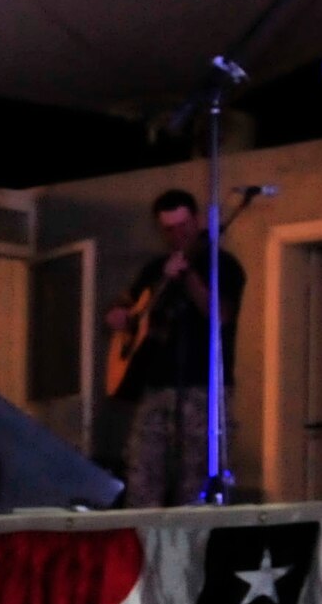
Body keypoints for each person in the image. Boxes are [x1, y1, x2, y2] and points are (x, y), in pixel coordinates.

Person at [105, 189, 245, 507]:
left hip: (202, 388)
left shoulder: (223, 265)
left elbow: (220, 315)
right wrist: (119, 314)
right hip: (154, 387)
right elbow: (128, 303)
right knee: (142, 476)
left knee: (195, 481)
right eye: (169, 229)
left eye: (183, 226)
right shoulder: (154, 268)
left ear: (196, 221)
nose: (178, 234)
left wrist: (188, 277)